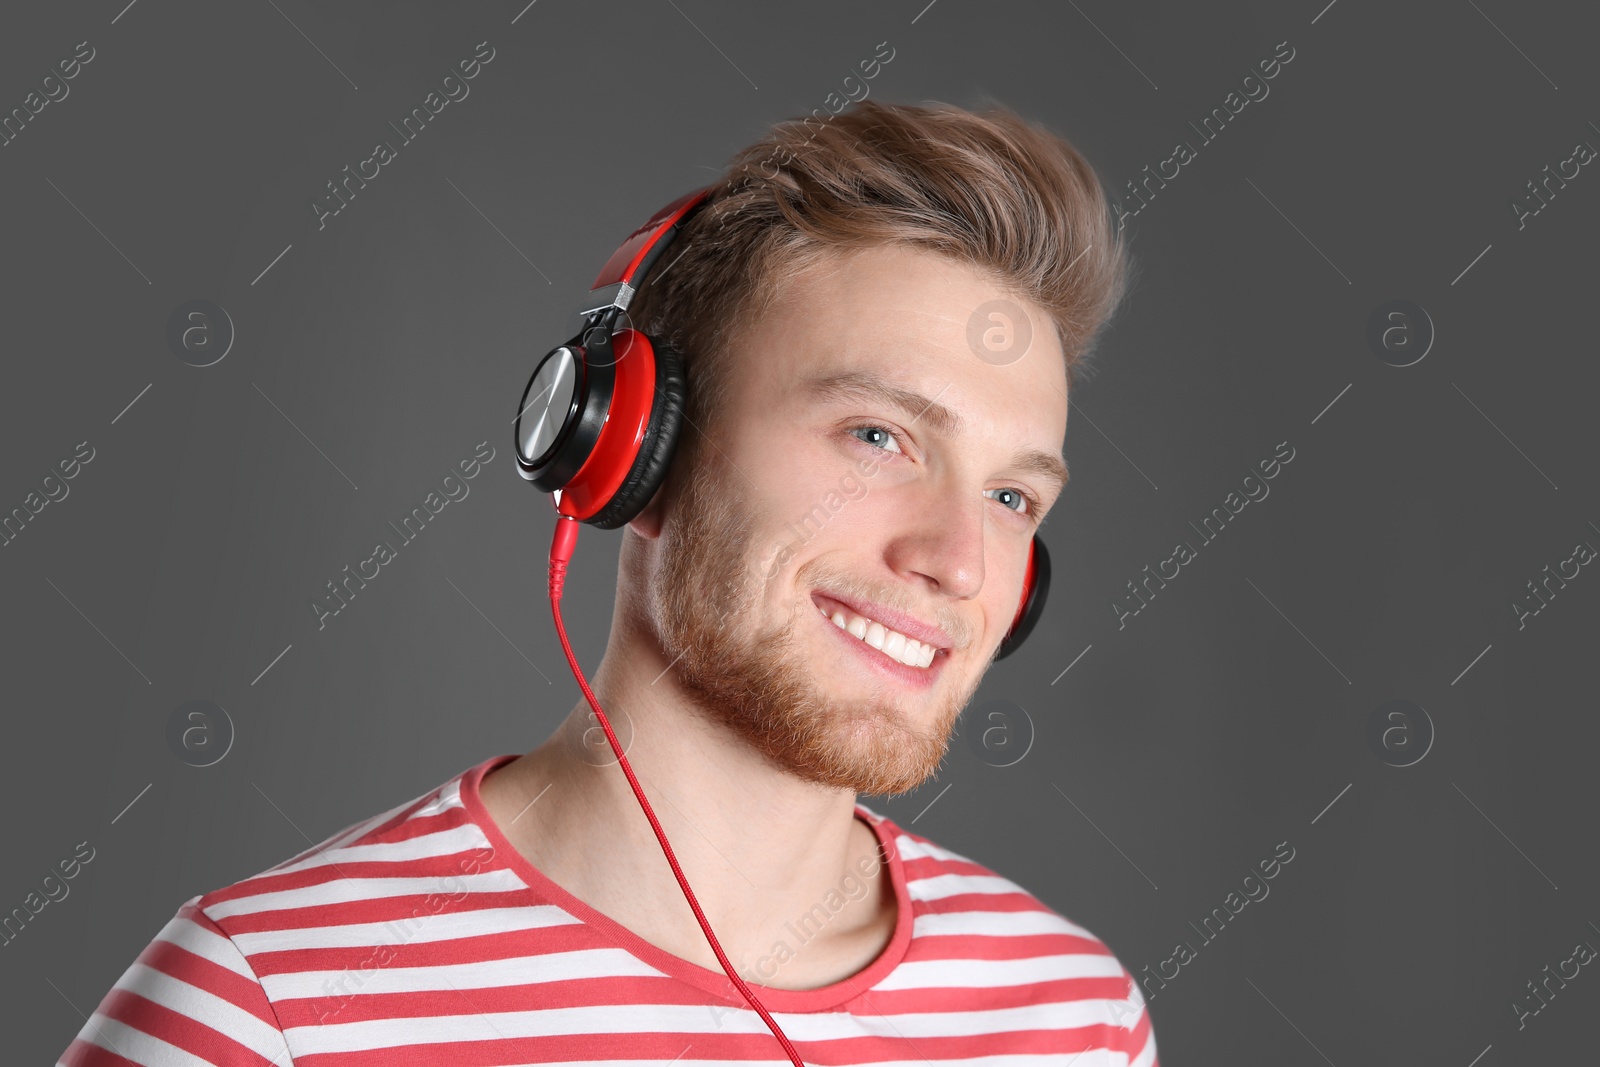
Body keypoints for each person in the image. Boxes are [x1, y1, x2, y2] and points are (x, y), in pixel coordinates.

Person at [58, 97, 1157, 1065]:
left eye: (1013, 498)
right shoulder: (268, 1003)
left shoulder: (1071, 1018)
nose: (958, 560)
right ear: (633, 445)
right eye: (877, 435)